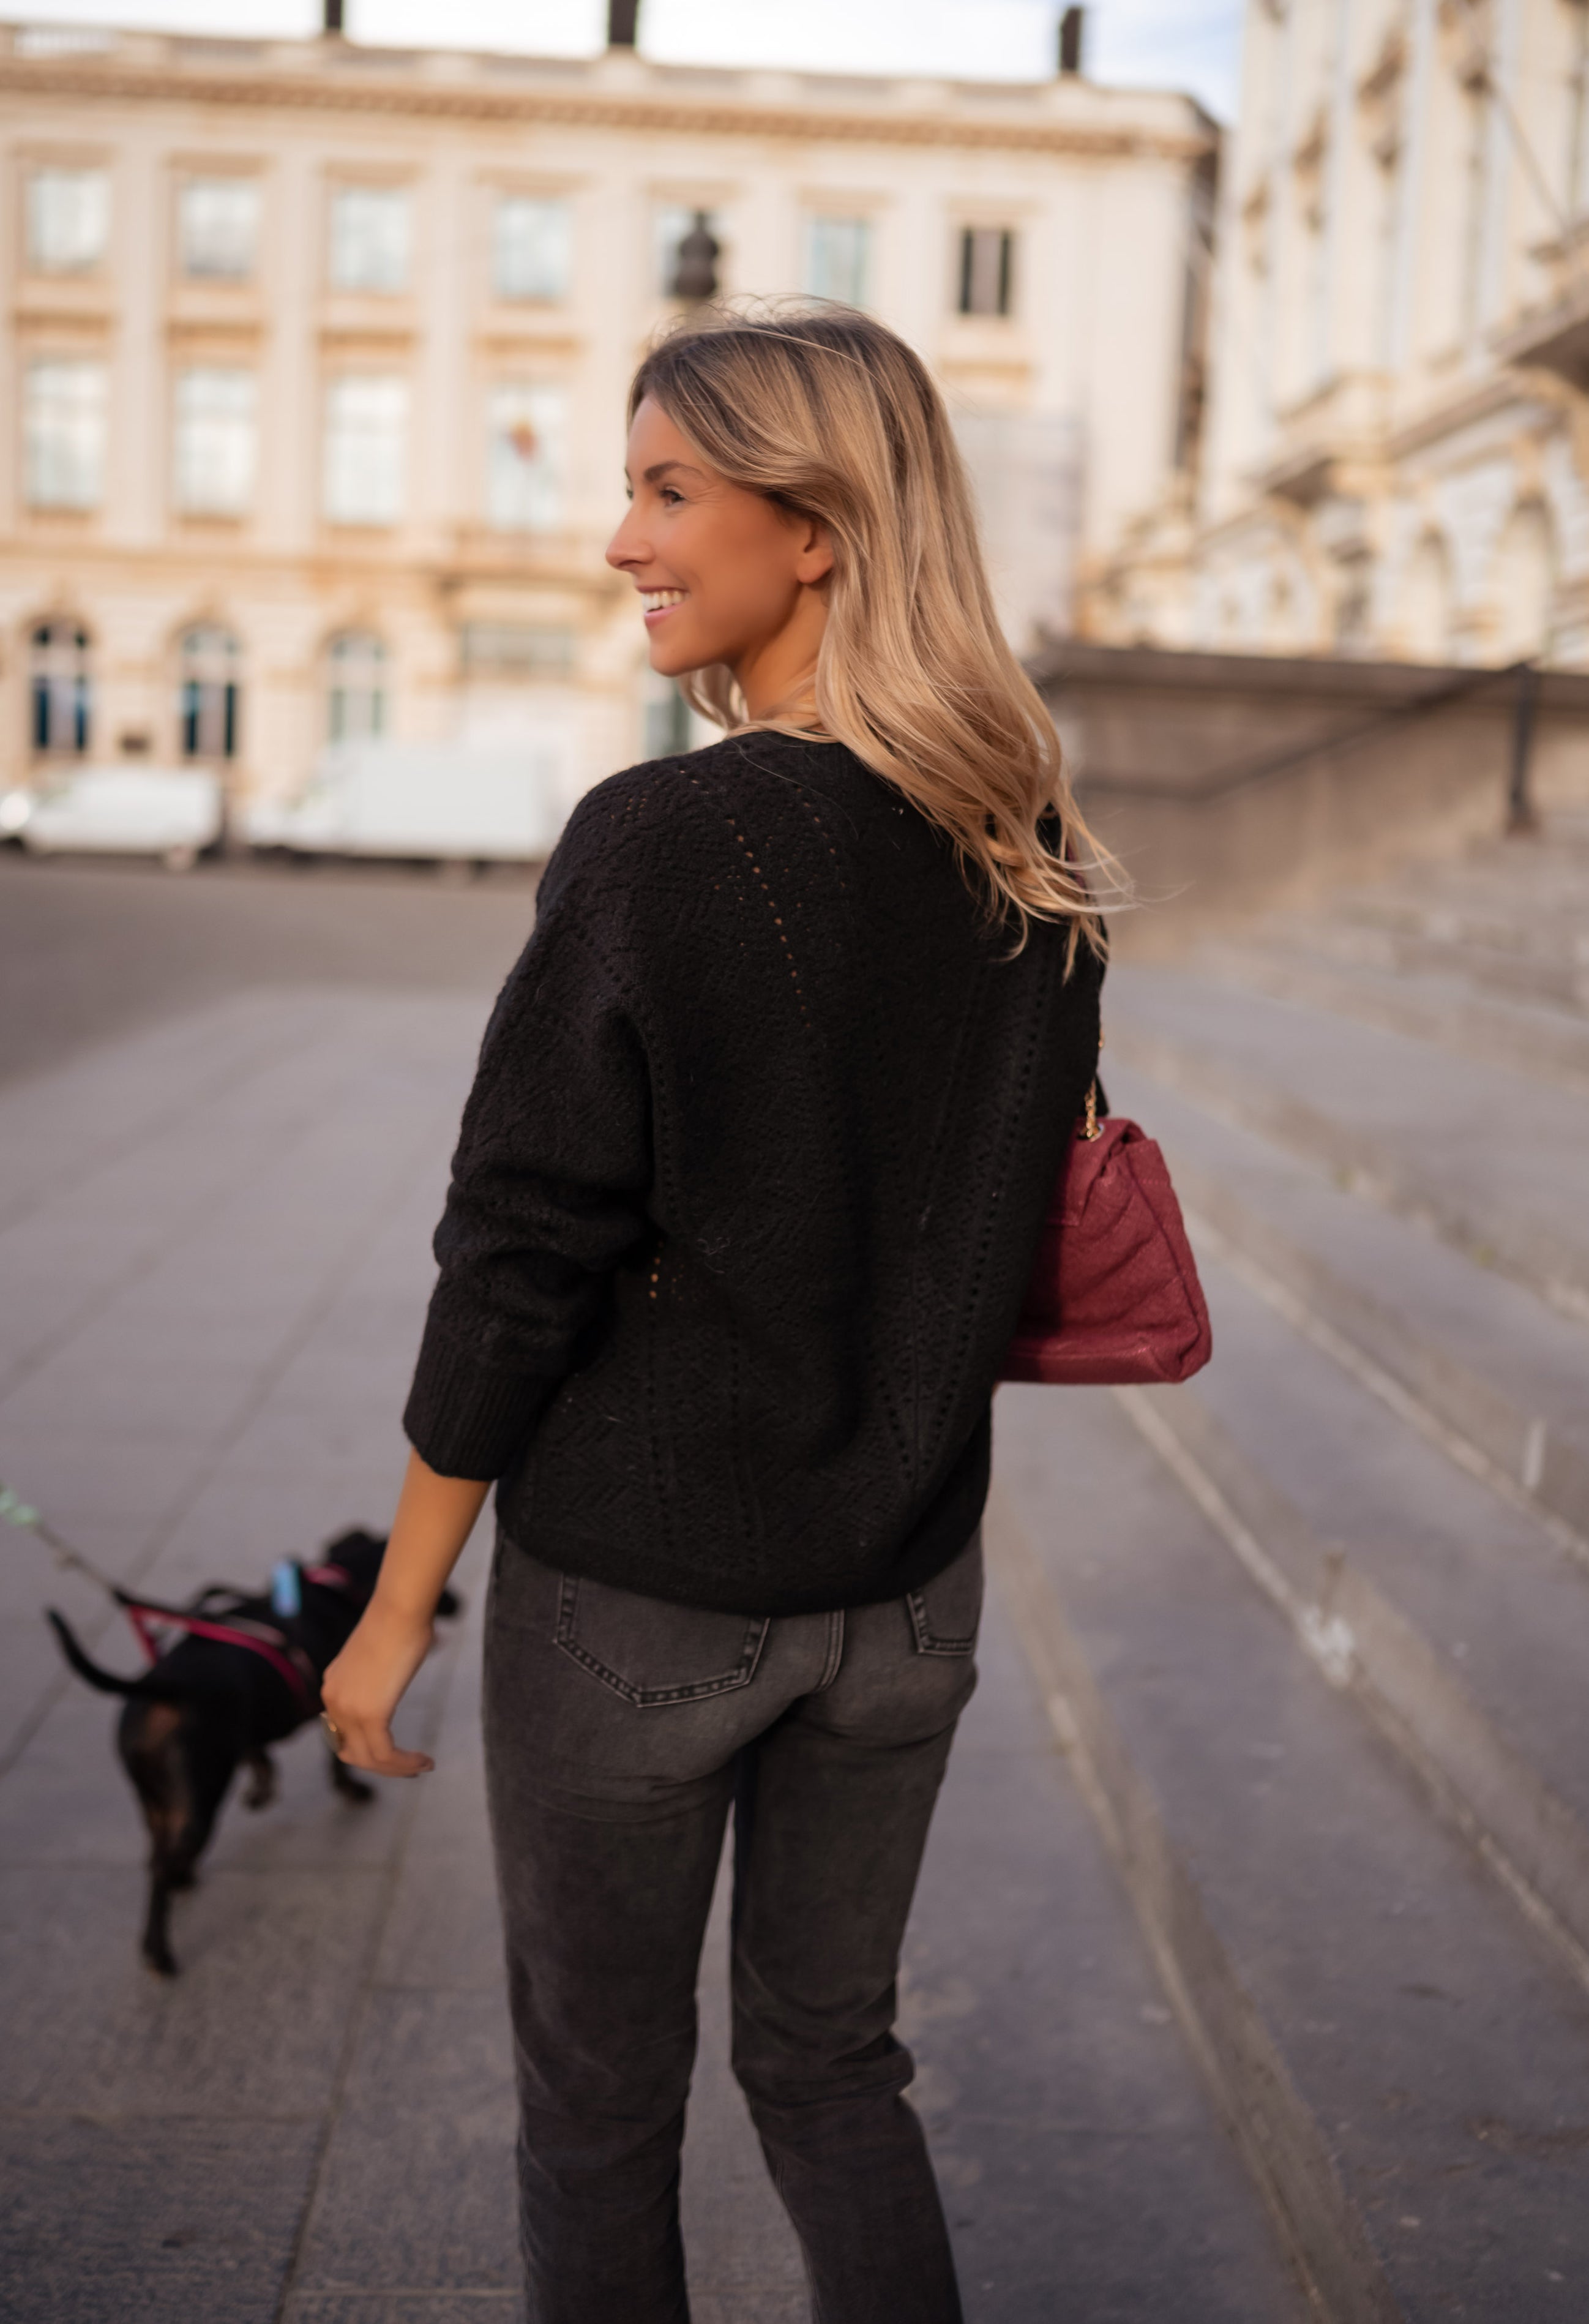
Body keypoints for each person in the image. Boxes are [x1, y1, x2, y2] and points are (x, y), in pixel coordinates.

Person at [321, 302, 1116, 2324]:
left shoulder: (659, 839)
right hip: (911, 1588)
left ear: (821, 526)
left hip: (645, 1597)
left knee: (598, 2111)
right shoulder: (1030, 854)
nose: (620, 540)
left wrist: (403, 1599)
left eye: (667, 491)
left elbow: (517, 1251)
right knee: (836, 2070)